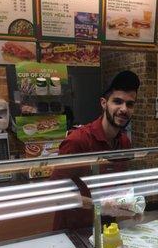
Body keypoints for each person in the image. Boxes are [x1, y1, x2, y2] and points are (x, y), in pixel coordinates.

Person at [52, 70, 140, 231]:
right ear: (104, 103)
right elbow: (55, 193)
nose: (124, 109)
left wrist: (132, 204)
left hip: (107, 229)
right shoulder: (78, 141)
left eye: (130, 104)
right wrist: (97, 205)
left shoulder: (124, 142)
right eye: (117, 101)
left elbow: (122, 184)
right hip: (74, 231)